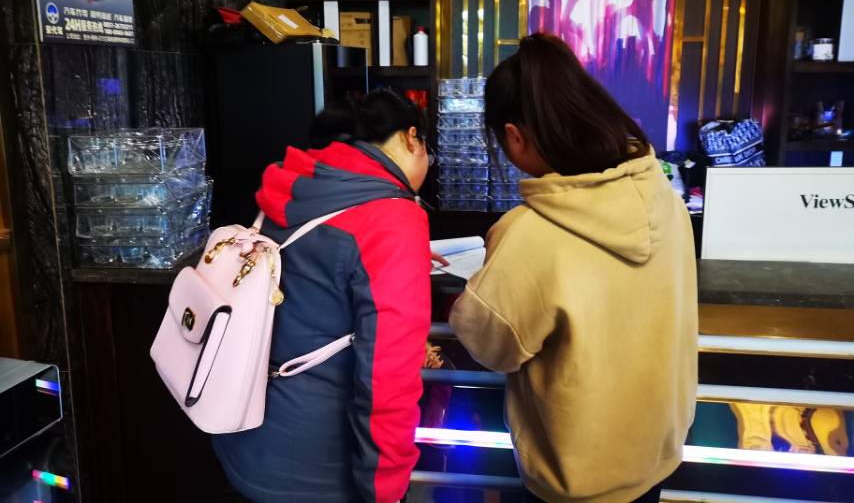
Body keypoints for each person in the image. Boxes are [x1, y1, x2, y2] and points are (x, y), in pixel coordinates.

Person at [449, 35, 698, 503]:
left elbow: (493, 346)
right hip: (655, 454)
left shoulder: (529, 233)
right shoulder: (664, 199)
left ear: (515, 135)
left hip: (574, 477)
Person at [213, 90, 434, 502]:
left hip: (241, 434)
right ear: (411, 138)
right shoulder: (394, 220)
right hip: (317, 468)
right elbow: (389, 378)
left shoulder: (293, 183)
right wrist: (386, 490)